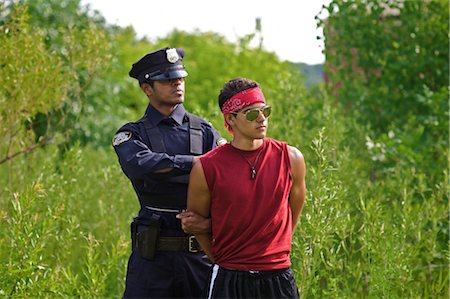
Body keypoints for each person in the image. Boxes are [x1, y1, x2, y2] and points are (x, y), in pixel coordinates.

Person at [112, 47, 223, 298]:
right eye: (167, 80)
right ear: (146, 88)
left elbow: (226, 169)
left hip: (199, 257)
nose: (177, 84)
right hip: (152, 261)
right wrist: (197, 164)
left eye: (180, 78)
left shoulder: (203, 130)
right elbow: (140, 164)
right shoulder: (132, 133)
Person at [186, 77, 307, 298]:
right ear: (230, 119)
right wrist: (224, 261)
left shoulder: (291, 158)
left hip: (278, 277)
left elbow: (293, 215)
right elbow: (196, 224)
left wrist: (274, 252)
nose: (262, 119)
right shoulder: (206, 167)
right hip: (229, 278)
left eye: (265, 111)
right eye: (252, 113)